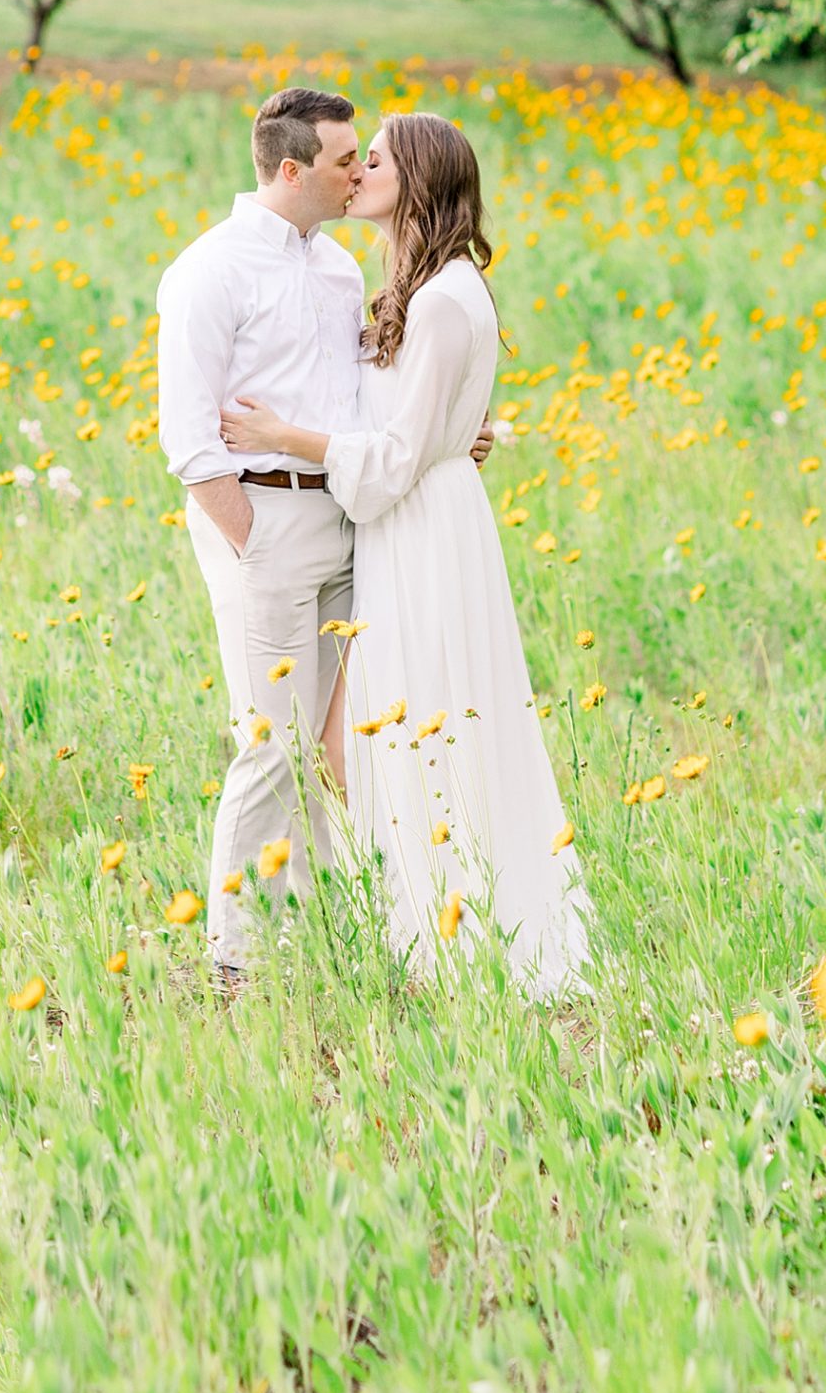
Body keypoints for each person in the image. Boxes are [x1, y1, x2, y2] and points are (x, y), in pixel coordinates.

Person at [220, 110, 589, 999]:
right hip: (404, 522)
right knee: (366, 737)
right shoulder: (410, 288)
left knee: (403, 731)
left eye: (371, 161)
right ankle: (417, 917)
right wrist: (458, 432)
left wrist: (286, 437)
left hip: (421, 530)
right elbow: (407, 421)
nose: (356, 173)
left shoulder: (445, 298)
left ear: (414, 181)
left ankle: (451, 929)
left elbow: (386, 460)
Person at [155, 87, 369, 982]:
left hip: (351, 518)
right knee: (269, 740)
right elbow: (189, 439)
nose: (361, 172)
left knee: (344, 744)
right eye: (344, 161)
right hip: (263, 519)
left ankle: (332, 929)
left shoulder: (340, 268)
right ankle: (235, 954)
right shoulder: (210, 270)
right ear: (291, 170)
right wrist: (252, 541)